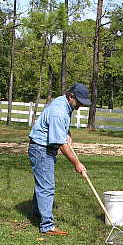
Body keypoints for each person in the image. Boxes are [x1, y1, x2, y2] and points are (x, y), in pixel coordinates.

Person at [28, 83, 91, 236]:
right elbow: (61, 144)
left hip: (43, 148)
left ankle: (37, 212)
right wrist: (77, 163)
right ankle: (47, 226)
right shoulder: (59, 111)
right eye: (80, 102)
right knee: (47, 187)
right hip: (41, 149)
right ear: (71, 97)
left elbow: (60, 130)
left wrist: (67, 132)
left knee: (43, 183)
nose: (81, 105)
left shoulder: (63, 103)